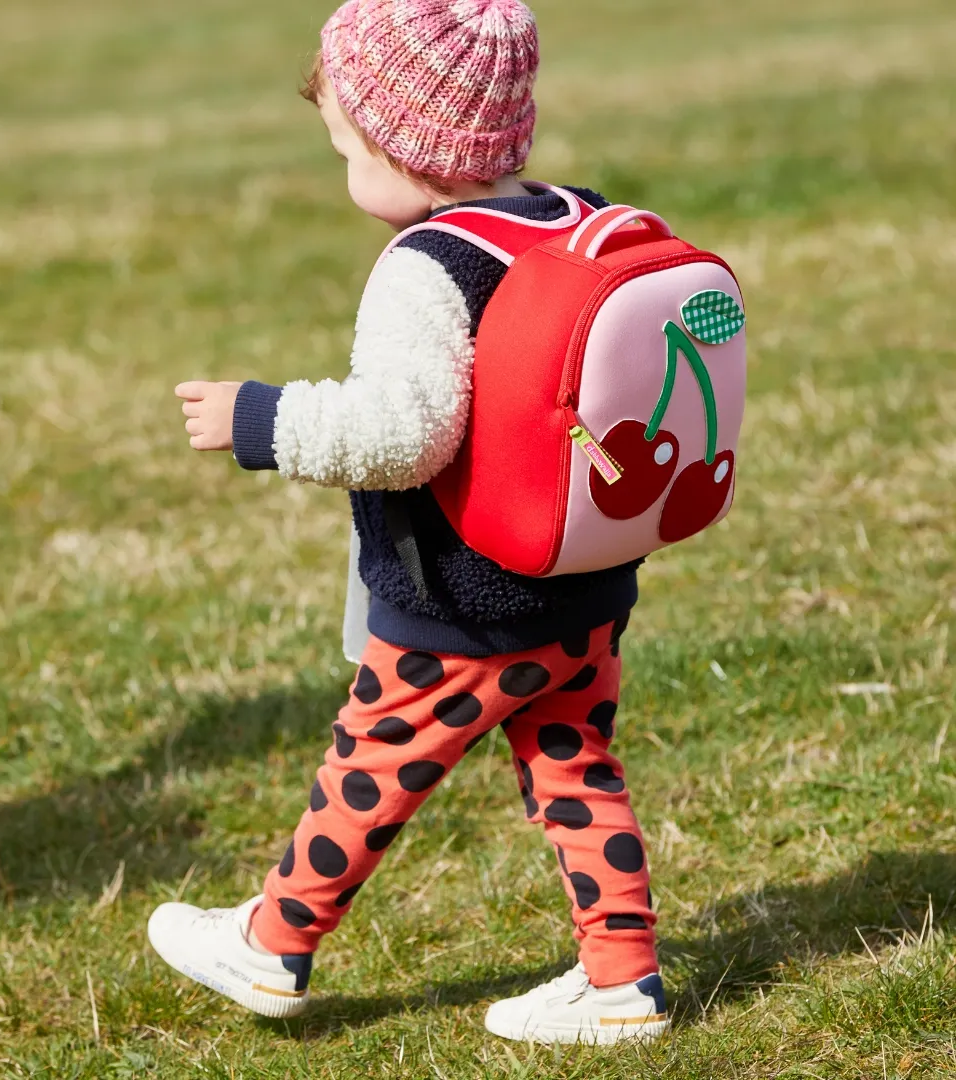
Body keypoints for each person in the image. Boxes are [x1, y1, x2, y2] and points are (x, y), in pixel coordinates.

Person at [148, 0, 668, 1045]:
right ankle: (622, 978)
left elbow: (403, 436)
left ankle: (273, 943)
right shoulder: (575, 213)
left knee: (369, 769)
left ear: (405, 146)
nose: (342, 169)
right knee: (575, 769)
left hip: (464, 600)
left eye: (345, 145)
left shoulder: (429, 266)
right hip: (585, 583)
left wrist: (262, 417)